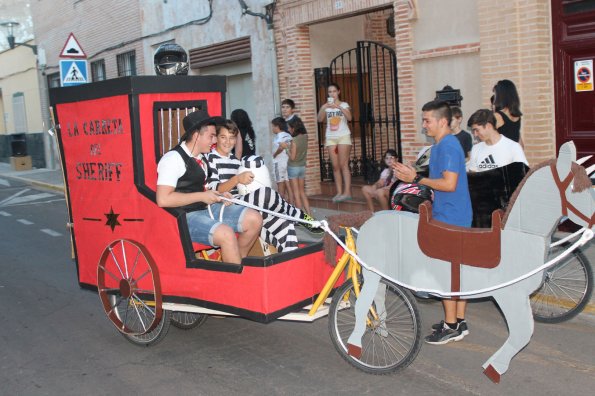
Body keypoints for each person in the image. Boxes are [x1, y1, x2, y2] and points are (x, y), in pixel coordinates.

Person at [393, 100, 472, 345]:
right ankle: (458, 321)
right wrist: (415, 175)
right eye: (423, 120)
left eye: (427, 120)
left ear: (443, 122)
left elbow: (449, 184)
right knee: (456, 270)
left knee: (446, 273)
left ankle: (451, 326)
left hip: (451, 216)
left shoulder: (447, 146)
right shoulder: (441, 146)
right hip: (450, 213)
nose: (423, 124)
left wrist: (416, 178)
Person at [156, 110, 262, 265]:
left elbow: (204, 188)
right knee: (226, 234)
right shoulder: (173, 159)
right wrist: (202, 196)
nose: (214, 141)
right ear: (197, 135)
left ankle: (237, 264)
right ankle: (235, 278)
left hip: (207, 209)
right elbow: (163, 199)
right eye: (211, 136)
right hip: (183, 218)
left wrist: (218, 194)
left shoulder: (202, 157)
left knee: (255, 219)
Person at [207, 120, 320, 252]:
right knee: (265, 193)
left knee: (285, 225)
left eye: (232, 138)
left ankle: (290, 266)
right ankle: (298, 216)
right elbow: (214, 188)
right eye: (223, 137)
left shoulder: (235, 160)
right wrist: (237, 179)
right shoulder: (210, 158)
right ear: (216, 138)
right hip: (228, 208)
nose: (228, 142)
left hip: (246, 207)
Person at [317, 83, 353, 202]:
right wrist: (324, 107)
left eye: (334, 91)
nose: (332, 93)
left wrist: (339, 108)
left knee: (343, 165)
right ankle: (339, 192)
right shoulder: (326, 107)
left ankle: (347, 192)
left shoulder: (344, 105)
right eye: (329, 92)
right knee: (335, 166)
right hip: (330, 137)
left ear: (338, 92)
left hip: (343, 136)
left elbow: (350, 118)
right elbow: (319, 119)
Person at [287, 116, 313, 216]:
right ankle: (309, 214)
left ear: (294, 128)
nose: (288, 129)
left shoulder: (294, 140)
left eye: (290, 127)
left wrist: (286, 148)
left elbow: (292, 157)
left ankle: (300, 217)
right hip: (302, 167)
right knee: (302, 192)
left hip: (293, 167)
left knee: (296, 193)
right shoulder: (305, 136)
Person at [492, 79, 523, 146]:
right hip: (514, 153)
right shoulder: (517, 116)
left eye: (495, 94)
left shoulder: (497, 116)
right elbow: (521, 144)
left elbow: (490, 139)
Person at [271, 117, 294, 203]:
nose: (272, 128)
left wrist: (275, 154)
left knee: (280, 185)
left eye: (273, 126)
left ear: (277, 126)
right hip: (287, 162)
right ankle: (291, 205)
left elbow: (281, 147)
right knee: (288, 186)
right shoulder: (288, 135)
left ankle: (282, 206)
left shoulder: (279, 136)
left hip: (279, 163)